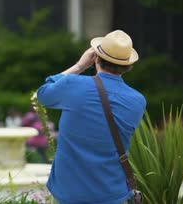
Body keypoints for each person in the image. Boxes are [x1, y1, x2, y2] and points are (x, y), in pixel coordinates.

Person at [35, 30, 146, 204]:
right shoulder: (138, 101)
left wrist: (79, 66)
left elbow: (43, 95)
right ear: (128, 66)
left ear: (95, 58)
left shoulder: (73, 85)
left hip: (68, 192)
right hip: (111, 193)